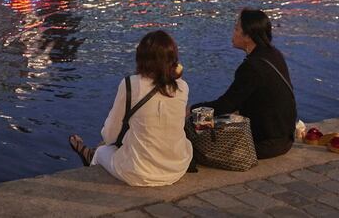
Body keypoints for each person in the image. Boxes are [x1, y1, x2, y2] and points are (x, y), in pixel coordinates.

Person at [68, 30, 192, 186]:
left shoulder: (130, 84)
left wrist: (111, 144)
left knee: (101, 151)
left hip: (140, 171)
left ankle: (89, 155)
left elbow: (110, 135)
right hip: (176, 167)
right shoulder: (182, 87)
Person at [191, 9, 297, 159]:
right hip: (284, 137)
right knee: (211, 119)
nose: (233, 33)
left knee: (196, 123)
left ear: (248, 36)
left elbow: (226, 105)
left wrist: (192, 110)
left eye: (236, 29)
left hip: (265, 143)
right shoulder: (273, 54)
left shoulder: (252, 67)